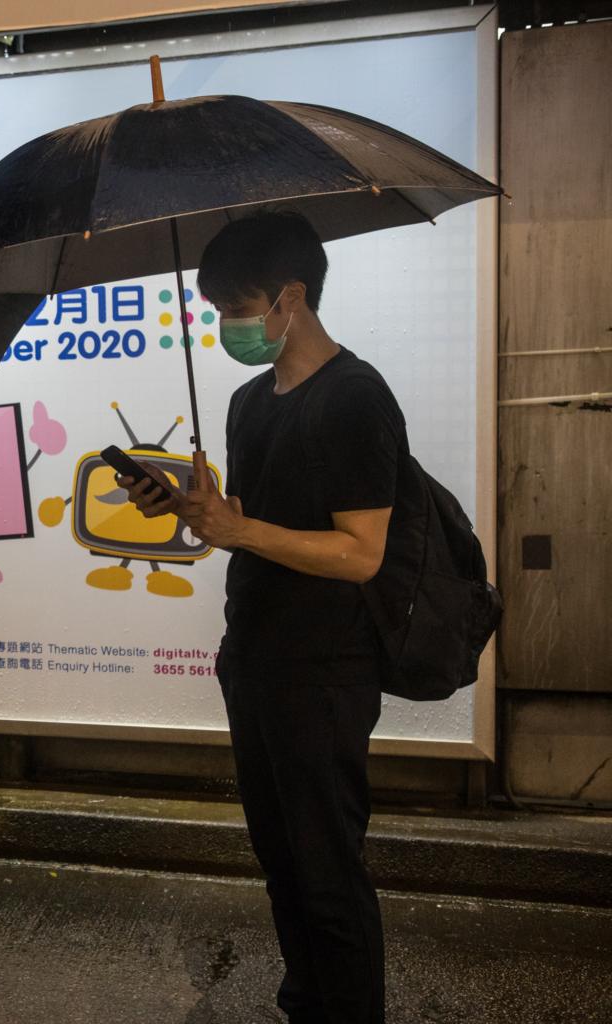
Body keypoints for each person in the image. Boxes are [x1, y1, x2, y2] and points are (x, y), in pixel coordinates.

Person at [123, 211, 402, 1024]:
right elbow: (250, 527)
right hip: (253, 659)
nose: (227, 326)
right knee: (282, 863)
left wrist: (240, 531)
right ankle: (305, 1004)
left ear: (291, 297)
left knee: (327, 871)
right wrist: (197, 512)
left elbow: (362, 553)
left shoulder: (355, 397)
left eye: (238, 308)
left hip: (325, 670)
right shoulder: (251, 401)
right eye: (216, 310)